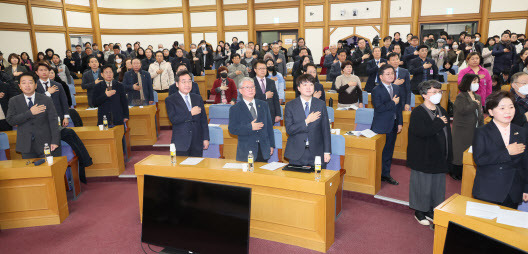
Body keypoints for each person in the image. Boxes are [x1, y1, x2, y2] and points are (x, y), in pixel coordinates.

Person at [472, 91, 528, 209]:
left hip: (513, 190)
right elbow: (479, 160)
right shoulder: (482, 132)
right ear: (491, 112)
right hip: (489, 190)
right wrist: (506, 152)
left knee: (507, 226)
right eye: (502, 108)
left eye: (511, 107)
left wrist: (526, 188)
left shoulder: (522, 131)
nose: (508, 111)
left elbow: (525, 163)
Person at [407, 80, 452, 226]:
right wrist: (438, 123)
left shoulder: (441, 110)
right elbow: (421, 132)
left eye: (439, 92)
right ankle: (419, 211)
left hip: (439, 156)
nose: (438, 95)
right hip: (423, 156)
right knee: (422, 185)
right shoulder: (418, 112)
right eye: (434, 92)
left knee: (437, 185)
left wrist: (448, 153)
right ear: (425, 94)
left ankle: (431, 209)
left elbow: (447, 135)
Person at [6, 73, 61, 158]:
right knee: (31, 171)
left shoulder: (46, 99)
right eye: (24, 83)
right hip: (26, 145)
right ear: (19, 86)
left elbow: (53, 121)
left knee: (47, 170)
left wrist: (55, 141)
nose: (27, 85)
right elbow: (11, 120)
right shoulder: (14, 101)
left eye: (30, 82)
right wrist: (30, 113)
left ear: (35, 85)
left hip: (46, 143)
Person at [284, 74, 331, 167]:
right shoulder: (290, 105)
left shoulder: (320, 104)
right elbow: (289, 130)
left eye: (311, 84)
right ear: (298, 88)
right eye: (305, 85)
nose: (308, 87)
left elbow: (325, 130)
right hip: (296, 153)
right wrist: (306, 121)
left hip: (317, 152)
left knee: (318, 180)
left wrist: (327, 152)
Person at [228, 77, 275, 162]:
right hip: (246, 150)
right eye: (247, 87)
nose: (250, 89)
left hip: (263, 149)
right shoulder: (235, 108)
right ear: (240, 90)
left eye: (252, 87)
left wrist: (271, 145)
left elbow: (269, 127)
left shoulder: (263, 104)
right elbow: (232, 129)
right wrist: (250, 127)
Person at [371, 64, 403, 185]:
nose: (391, 75)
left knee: (389, 151)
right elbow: (379, 108)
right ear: (381, 77)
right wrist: (392, 102)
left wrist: (399, 122)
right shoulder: (376, 90)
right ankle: (375, 174)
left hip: (393, 124)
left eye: (392, 73)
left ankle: (386, 174)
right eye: (388, 74)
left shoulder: (397, 88)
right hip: (380, 125)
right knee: (379, 151)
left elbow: (399, 108)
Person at [165, 70, 209, 157]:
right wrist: (190, 113)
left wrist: (206, 138)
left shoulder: (197, 98)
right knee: (181, 169)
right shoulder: (170, 100)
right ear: (177, 84)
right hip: (181, 142)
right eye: (184, 82)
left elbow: (203, 120)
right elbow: (173, 119)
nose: (187, 84)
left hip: (197, 141)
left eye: (189, 81)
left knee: (197, 168)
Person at [451, 74, 484, 180]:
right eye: (474, 82)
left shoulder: (477, 96)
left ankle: (466, 171)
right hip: (462, 129)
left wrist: (482, 126)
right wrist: (474, 104)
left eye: (477, 82)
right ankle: (455, 172)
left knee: (470, 150)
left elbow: (480, 113)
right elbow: (462, 110)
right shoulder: (461, 96)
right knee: (459, 151)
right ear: (467, 83)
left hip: (474, 128)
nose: (476, 84)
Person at [35, 63, 70, 127]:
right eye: (41, 70)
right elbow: (36, 101)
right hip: (42, 118)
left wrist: (66, 117)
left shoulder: (58, 85)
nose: (44, 72)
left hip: (58, 116)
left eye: (45, 70)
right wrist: (47, 93)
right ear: (37, 72)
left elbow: (64, 101)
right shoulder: (34, 86)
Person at [253, 60, 281, 124]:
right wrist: (265, 96)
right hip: (255, 114)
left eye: (264, 68)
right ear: (255, 70)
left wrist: (278, 114)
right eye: (260, 68)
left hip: (270, 114)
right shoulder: (251, 82)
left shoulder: (271, 82)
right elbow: (250, 99)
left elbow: (276, 99)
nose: (263, 70)